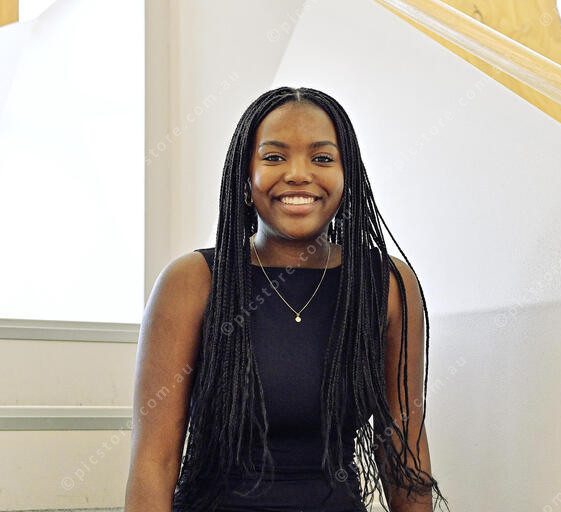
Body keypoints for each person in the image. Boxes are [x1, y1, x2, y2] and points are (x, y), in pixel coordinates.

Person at [124, 86, 450, 512]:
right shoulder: (191, 281)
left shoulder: (388, 284)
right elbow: (155, 462)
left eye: (322, 158)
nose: (298, 174)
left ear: (347, 177)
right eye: (274, 157)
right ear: (246, 177)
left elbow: (403, 450)